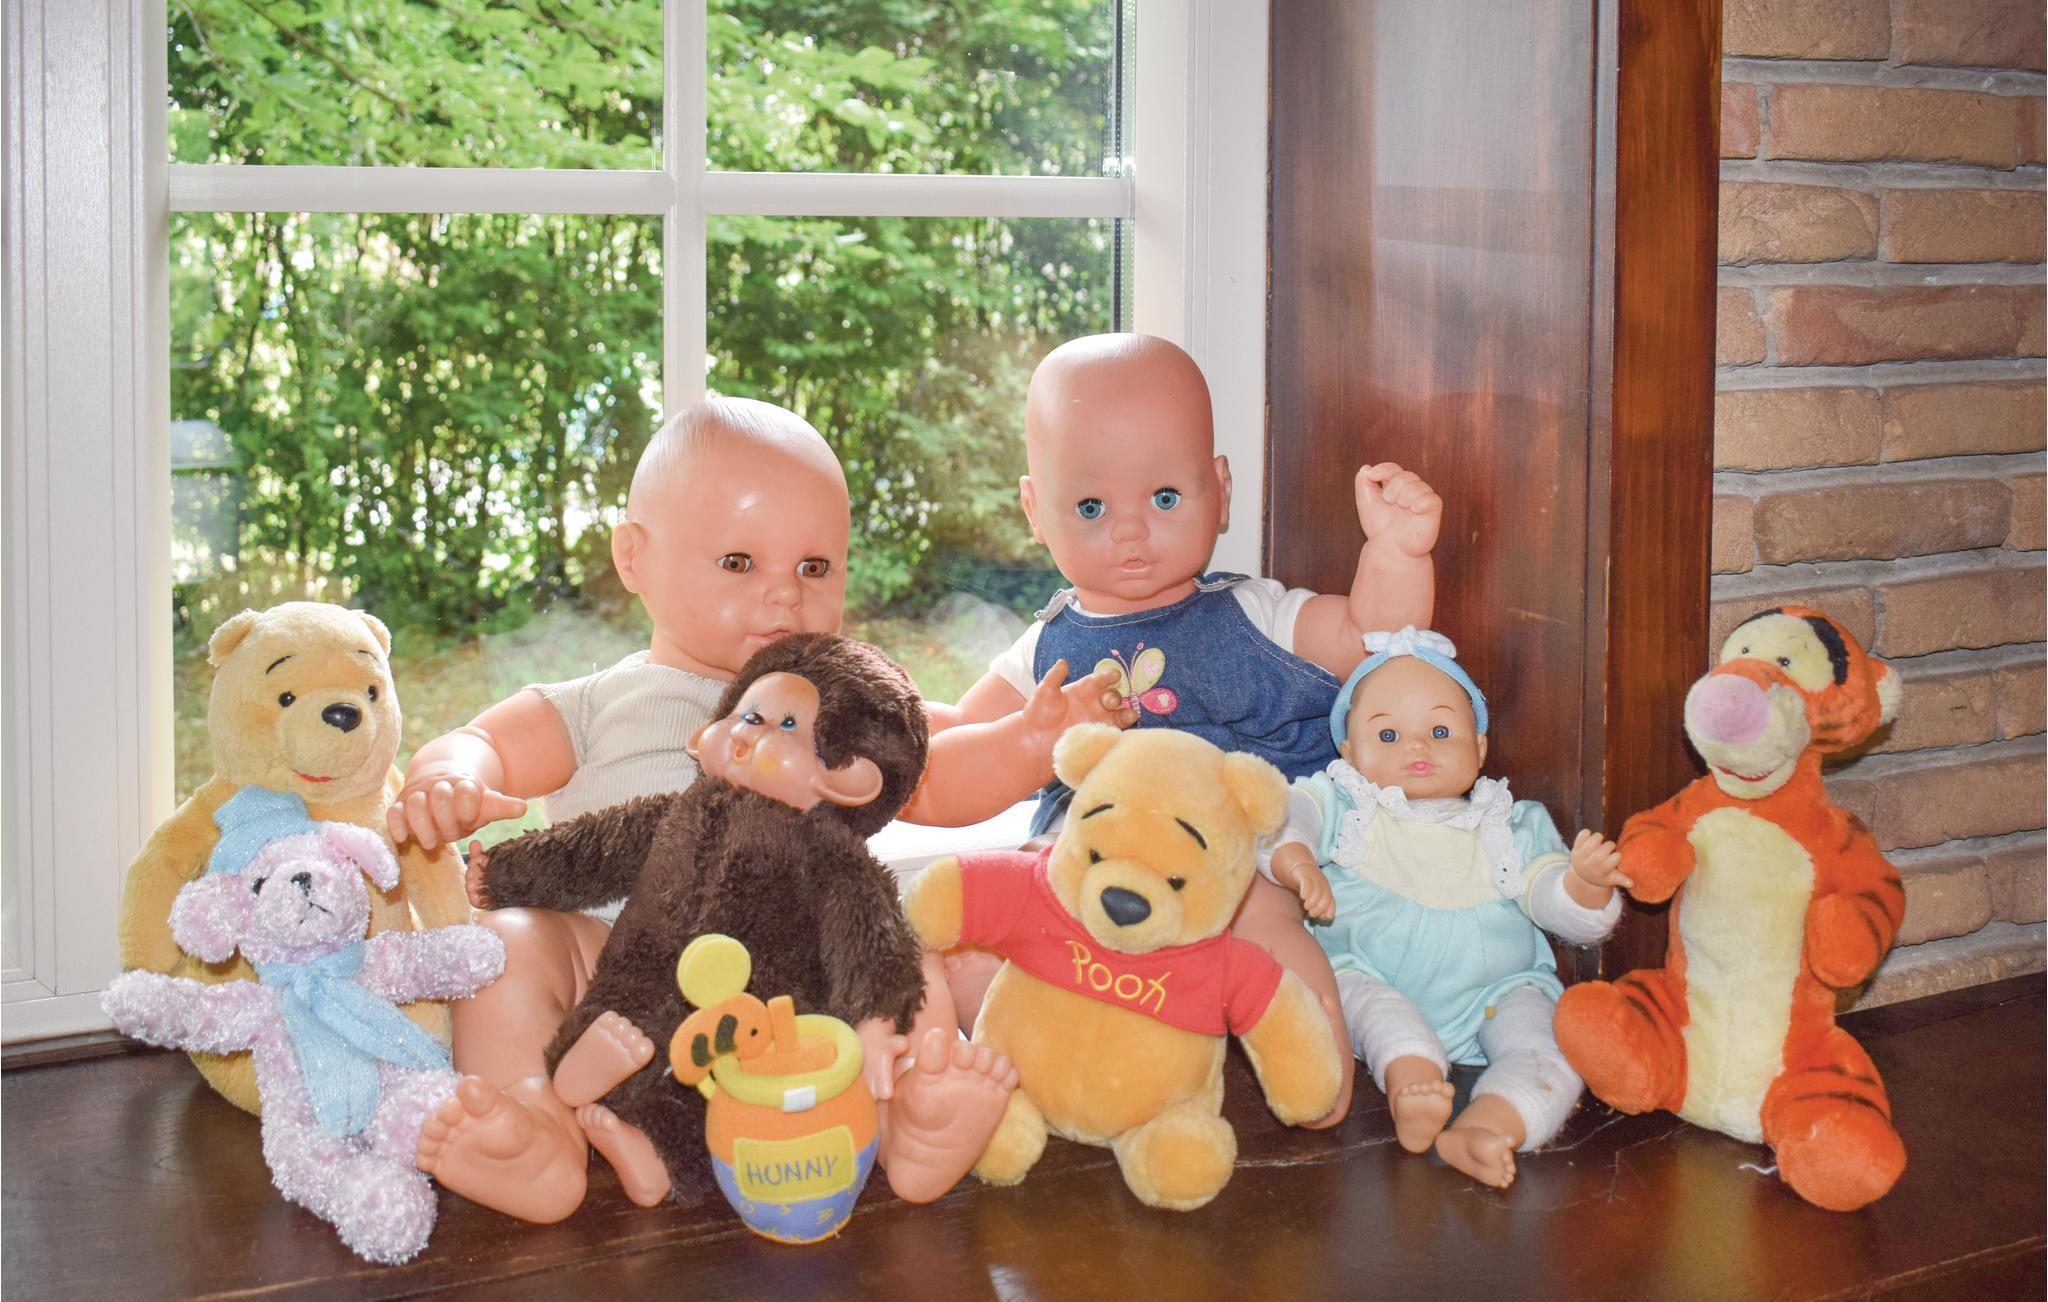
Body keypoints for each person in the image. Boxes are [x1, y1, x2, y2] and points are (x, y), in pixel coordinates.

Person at [395, 396, 1120, 1221]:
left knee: (900, 947)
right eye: (739, 562)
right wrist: (447, 779)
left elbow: (940, 768)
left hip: (793, 995)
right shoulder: (599, 702)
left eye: (814, 568)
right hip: (615, 975)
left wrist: (1029, 742)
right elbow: (480, 742)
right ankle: (535, 1127)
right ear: (633, 556)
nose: (783, 597)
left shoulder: (836, 705)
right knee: (507, 944)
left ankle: (909, 1113)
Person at [941, 333, 1443, 1124]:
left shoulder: (1252, 611)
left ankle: (1314, 1076)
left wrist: (1397, 551)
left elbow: (1370, 640)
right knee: (983, 939)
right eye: (1092, 507)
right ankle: (1034, 1066)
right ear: (1035, 511)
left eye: (1166, 498)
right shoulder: (1043, 649)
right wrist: (881, 722)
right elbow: (959, 740)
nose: (1131, 531)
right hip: (1092, 859)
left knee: (1268, 921)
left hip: (1233, 861)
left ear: (1221, 490)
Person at [1262, 627, 1627, 1187]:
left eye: (1439, 730)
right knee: (1375, 1011)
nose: (1417, 747)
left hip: (1498, 990)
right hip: (1374, 973)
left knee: (1551, 1048)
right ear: (1349, 753)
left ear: (1478, 748)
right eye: (1388, 734)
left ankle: (1490, 1127)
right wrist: (1296, 859)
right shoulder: (1352, 806)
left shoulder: (1508, 821)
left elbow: (1547, 895)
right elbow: (1291, 811)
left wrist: (1584, 888)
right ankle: (1411, 1084)